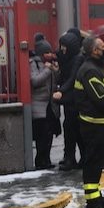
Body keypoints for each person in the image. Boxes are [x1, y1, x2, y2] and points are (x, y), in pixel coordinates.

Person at [75, 36, 104, 208]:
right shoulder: (90, 71)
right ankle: (93, 206)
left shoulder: (95, 68)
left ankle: (96, 197)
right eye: (102, 47)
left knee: (96, 162)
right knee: (93, 164)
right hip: (93, 125)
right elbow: (101, 98)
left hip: (97, 124)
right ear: (94, 51)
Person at [54, 30, 85, 171]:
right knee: (70, 129)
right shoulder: (67, 57)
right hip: (69, 100)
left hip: (75, 99)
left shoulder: (78, 58)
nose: (62, 49)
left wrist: (61, 91)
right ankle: (70, 157)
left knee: (75, 130)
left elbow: (72, 78)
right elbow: (63, 77)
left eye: (64, 46)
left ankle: (77, 157)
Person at [30, 39, 60, 170]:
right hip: (39, 105)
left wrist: (56, 70)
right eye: (47, 52)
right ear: (41, 53)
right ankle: (40, 161)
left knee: (50, 133)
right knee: (41, 134)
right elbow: (35, 81)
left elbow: (57, 80)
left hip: (51, 105)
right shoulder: (33, 64)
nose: (50, 54)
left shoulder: (50, 64)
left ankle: (47, 159)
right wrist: (47, 70)